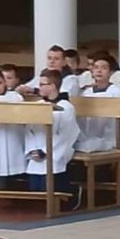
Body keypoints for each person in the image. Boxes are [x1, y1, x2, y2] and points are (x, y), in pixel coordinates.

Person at [24, 69, 82, 205]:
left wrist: (46, 151)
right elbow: (28, 129)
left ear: (53, 86)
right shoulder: (38, 106)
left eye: (42, 84)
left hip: (54, 154)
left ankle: (72, 196)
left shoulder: (66, 107)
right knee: (35, 189)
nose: (39, 87)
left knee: (50, 189)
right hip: (36, 154)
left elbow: (67, 134)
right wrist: (32, 150)